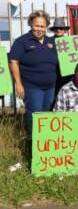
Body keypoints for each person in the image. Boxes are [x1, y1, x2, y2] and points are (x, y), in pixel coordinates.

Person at [9, 10, 58, 141]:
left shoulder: (51, 41)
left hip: (50, 87)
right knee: (35, 116)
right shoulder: (22, 41)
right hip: (32, 87)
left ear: (46, 26)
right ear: (31, 24)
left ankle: (45, 145)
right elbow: (13, 62)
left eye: (42, 26)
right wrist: (18, 84)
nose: (39, 29)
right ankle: (33, 145)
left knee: (46, 117)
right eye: (36, 25)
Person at [49, 17, 72, 96]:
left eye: (60, 28)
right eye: (56, 28)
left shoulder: (71, 42)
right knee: (54, 96)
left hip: (67, 75)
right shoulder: (48, 41)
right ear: (53, 30)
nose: (58, 30)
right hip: (53, 74)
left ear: (64, 30)